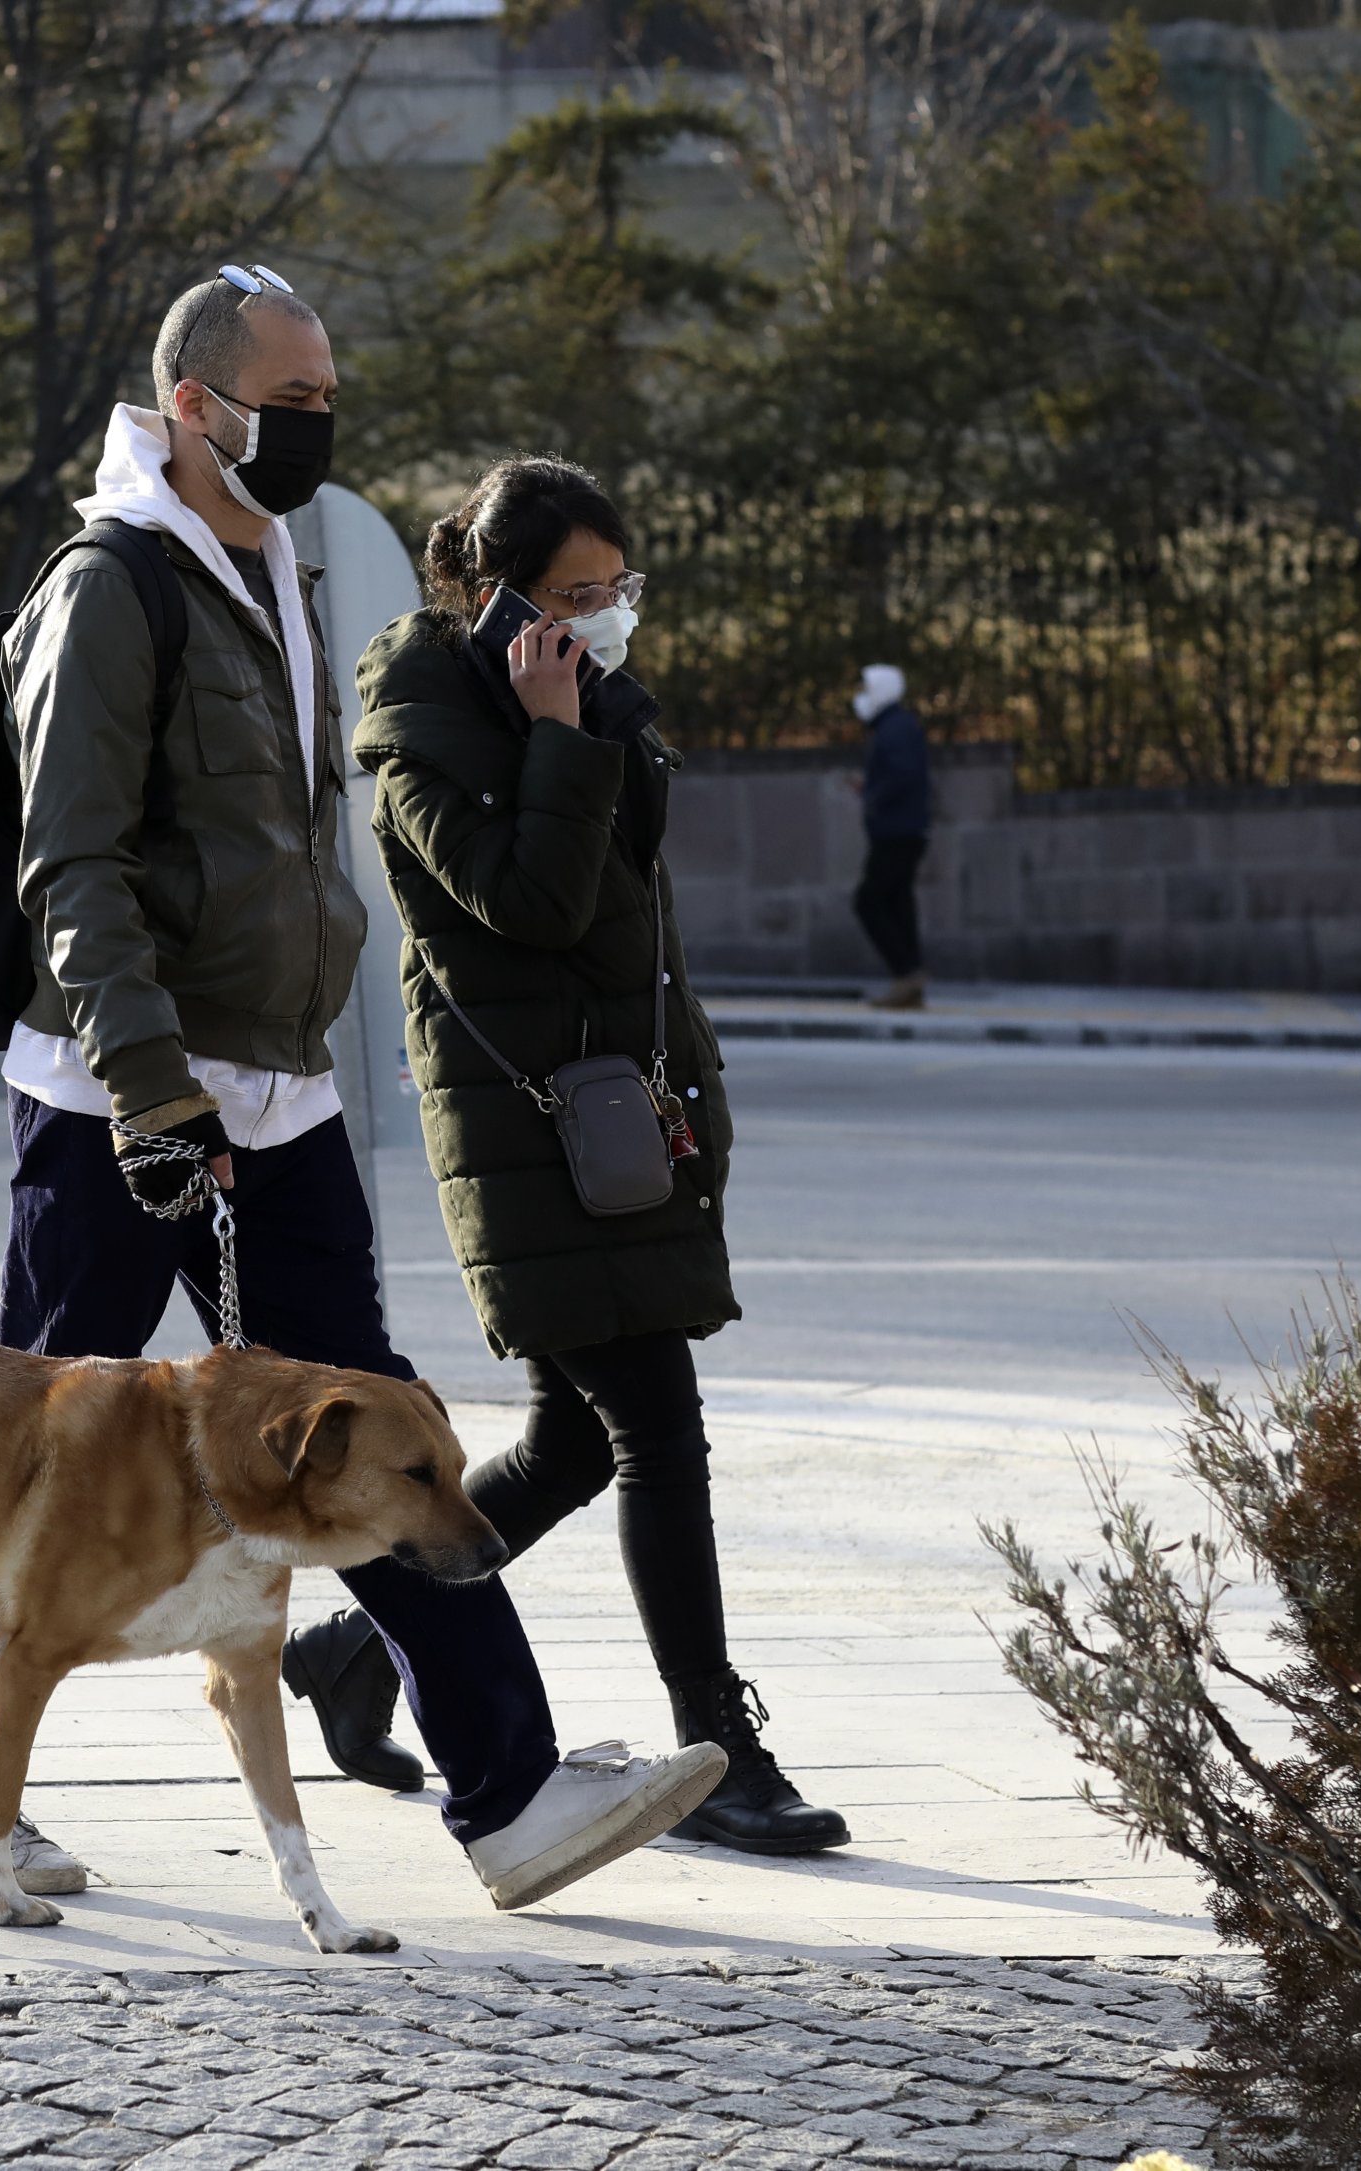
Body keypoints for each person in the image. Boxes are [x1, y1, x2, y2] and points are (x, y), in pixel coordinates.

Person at [0, 270, 725, 1912]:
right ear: (194, 406)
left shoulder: (269, 558)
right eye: (291, 393)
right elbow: (72, 860)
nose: (320, 418)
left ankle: (511, 1792)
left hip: (278, 1089)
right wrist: (147, 1089)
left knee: (382, 1426)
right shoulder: (111, 586)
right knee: (45, 1444)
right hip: (131, 1101)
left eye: (330, 387)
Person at [322, 455, 851, 1857]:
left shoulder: (590, 702)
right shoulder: (418, 732)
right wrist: (563, 730)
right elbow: (532, 906)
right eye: (576, 593)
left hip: (620, 1116)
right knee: (657, 1432)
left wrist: (586, 715)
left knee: (571, 1441)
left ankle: (358, 1641)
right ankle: (720, 1748)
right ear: (493, 597)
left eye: (618, 590)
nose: (607, 615)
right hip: (536, 1136)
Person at [850, 661, 933, 1010]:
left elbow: (903, 775)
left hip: (896, 832)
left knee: (869, 902)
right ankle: (910, 980)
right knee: (898, 903)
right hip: (904, 829)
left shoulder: (894, 728)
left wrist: (872, 796)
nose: (862, 697)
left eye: (868, 689)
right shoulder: (897, 726)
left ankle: (907, 975)